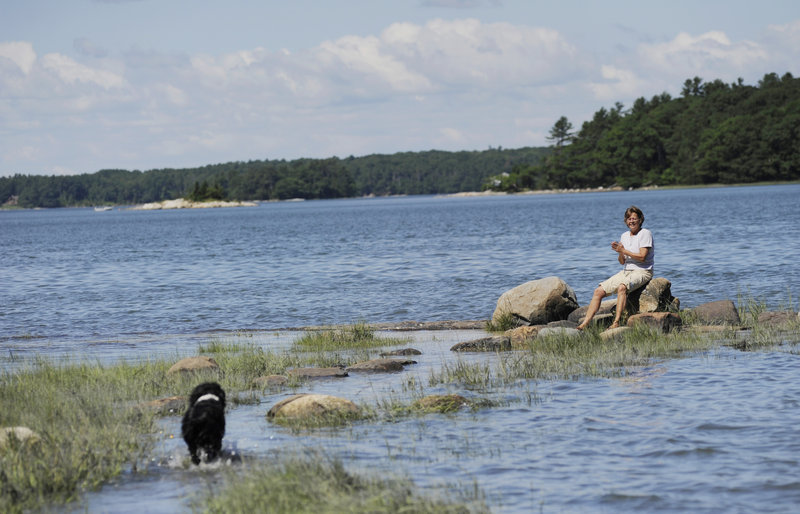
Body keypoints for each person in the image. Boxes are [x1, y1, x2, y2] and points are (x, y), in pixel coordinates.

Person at [576, 206, 654, 331]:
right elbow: (622, 262)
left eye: (634, 218)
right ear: (626, 221)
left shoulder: (645, 233)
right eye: (629, 219)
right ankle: (584, 324)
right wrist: (620, 252)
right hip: (626, 271)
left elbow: (642, 257)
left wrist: (624, 250)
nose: (631, 221)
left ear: (640, 220)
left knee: (622, 287)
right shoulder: (624, 236)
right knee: (598, 291)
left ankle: (616, 322)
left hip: (642, 271)